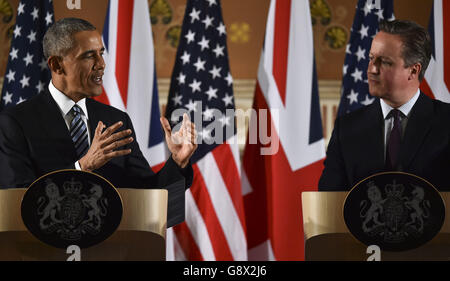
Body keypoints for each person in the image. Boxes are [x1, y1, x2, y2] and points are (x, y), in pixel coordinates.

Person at [0, 18, 197, 225]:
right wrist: (82, 166)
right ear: (57, 65)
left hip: (113, 251)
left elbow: (148, 197)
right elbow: (17, 202)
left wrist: (178, 161)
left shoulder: (116, 120)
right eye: (88, 56)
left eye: (101, 53)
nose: (101, 64)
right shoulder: (15, 123)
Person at [319, 19, 450, 191]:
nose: (372, 69)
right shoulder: (347, 128)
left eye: (385, 62)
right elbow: (329, 198)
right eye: (372, 59)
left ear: (413, 71)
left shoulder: (446, 122)